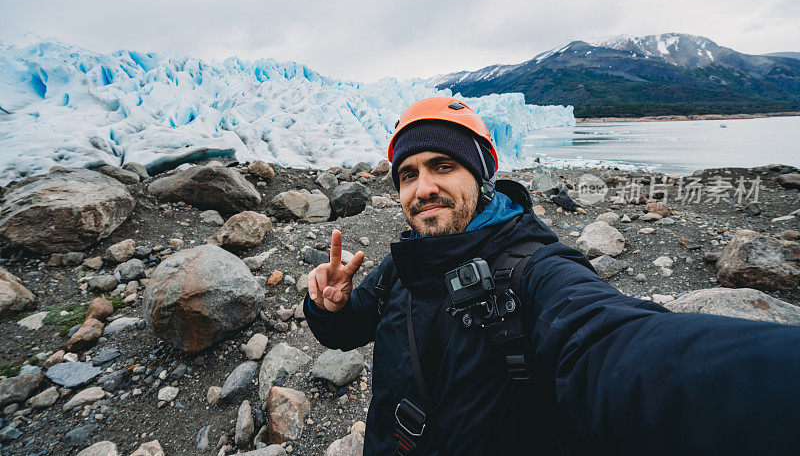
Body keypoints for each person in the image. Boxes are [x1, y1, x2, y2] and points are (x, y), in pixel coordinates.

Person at [304, 96, 800, 455]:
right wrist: (331, 307)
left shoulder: (535, 269)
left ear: (480, 176)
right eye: (408, 174)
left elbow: (608, 345)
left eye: (443, 165)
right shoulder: (402, 262)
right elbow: (348, 331)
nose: (424, 187)